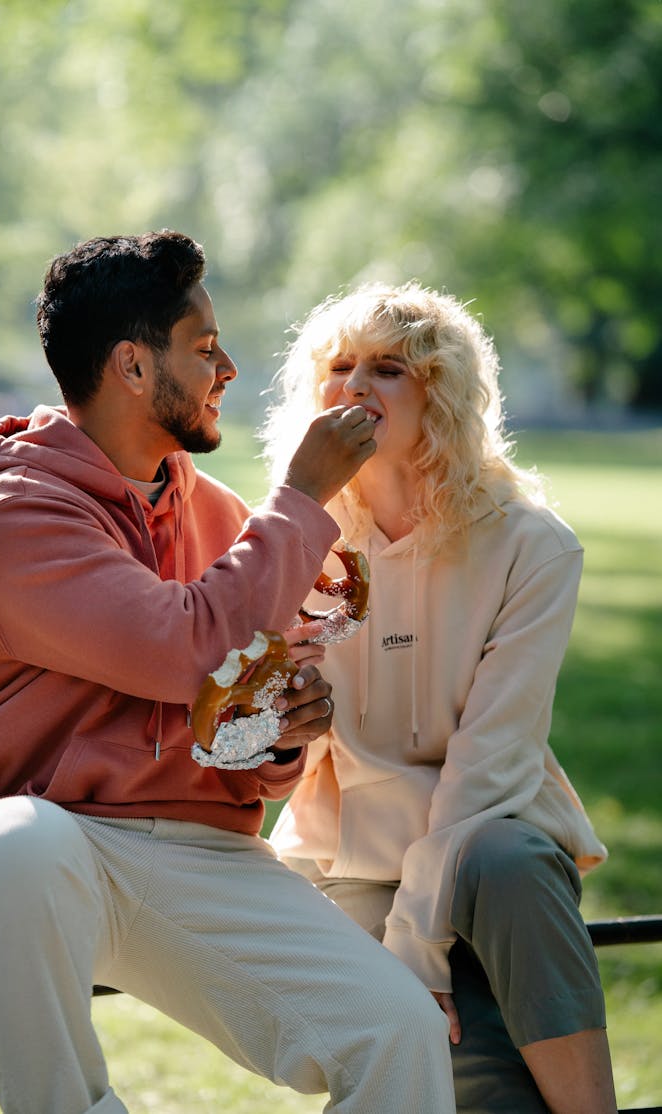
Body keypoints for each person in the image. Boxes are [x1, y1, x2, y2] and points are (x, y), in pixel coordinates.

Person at [0, 234, 457, 1114]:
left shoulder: (226, 520)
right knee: (23, 845)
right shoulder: (12, 516)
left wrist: (283, 730)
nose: (228, 367)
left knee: (397, 1031)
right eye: (204, 349)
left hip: (194, 852)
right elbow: (190, 651)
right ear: (132, 364)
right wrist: (305, 495)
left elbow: (234, 712)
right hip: (21, 856)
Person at [260, 280, 618, 1114]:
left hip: (488, 839)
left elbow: (494, 760)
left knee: (510, 859)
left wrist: (421, 938)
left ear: (441, 392)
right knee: (481, 1080)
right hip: (349, 853)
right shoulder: (292, 537)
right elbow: (267, 741)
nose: (354, 387)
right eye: (339, 367)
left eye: (388, 368)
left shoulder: (533, 544)